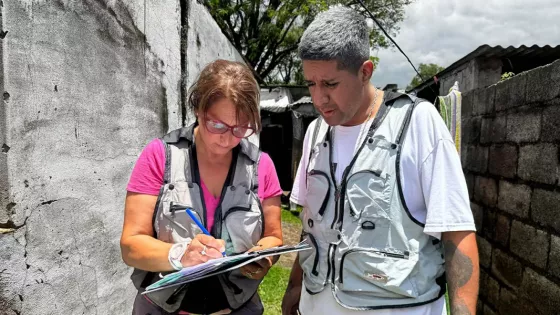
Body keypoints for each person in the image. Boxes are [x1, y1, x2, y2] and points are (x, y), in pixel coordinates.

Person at [281, 6, 479, 315]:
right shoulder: (316, 132)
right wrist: (295, 285)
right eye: (311, 83)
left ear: (365, 72)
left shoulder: (417, 124)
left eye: (330, 84)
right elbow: (314, 226)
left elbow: (457, 232)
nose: (318, 98)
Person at [121, 59, 283, 315]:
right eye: (216, 125)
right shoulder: (160, 157)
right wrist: (181, 253)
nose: (227, 138)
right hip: (162, 309)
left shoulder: (261, 166)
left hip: (238, 308)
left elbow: (273, 236)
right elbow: (131, 246)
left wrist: (262, 256)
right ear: (198, 109)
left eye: (240, 128)